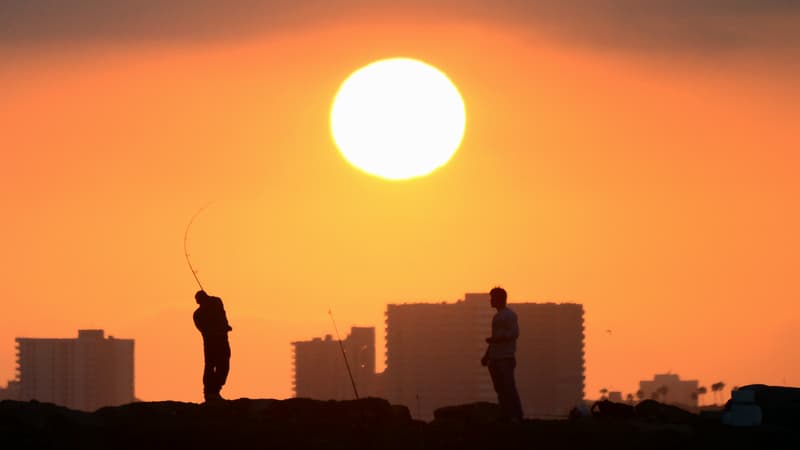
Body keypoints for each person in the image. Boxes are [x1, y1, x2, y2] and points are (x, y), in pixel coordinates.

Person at [481, 287, 523, 421]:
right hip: (495, 358)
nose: (491, 300)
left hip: (505, 357)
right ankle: (505, 413)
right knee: (500, 388)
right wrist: (487, 356)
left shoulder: (509, 315)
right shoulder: (497, 317)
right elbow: (494, 339)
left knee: (509, 387)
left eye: (493, 298)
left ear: (500, 299)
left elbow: (514, 334)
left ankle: (516, 415)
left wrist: (497, 340)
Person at [193, 290, 232, 402]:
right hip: (211, 344)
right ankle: (210, 393)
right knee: (211, 366)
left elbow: (222, 315)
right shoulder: (198, 314)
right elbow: (205, 330)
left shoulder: (215, 302)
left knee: (223, 365)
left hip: (222, 341)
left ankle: (215, 391)